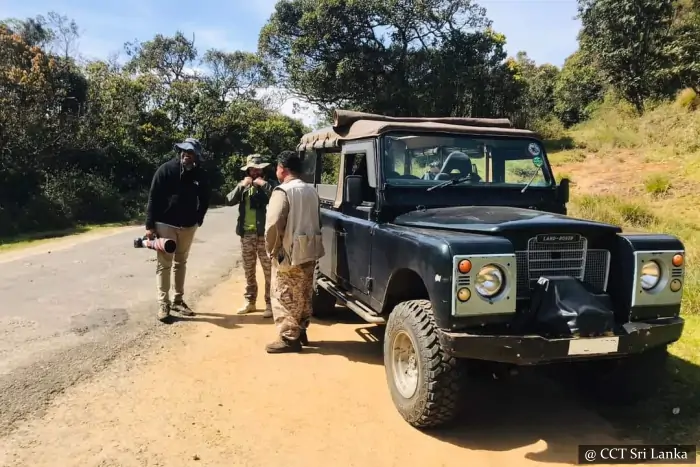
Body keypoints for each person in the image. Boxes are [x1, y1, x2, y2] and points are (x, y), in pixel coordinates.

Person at [264, 150, 325, 353]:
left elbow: (273, 224)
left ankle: (289, 338)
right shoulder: (312, 191)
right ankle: (301, 330)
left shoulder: (283, 191)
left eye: (277, 167)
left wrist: (271, 249)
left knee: (284, 294)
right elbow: (318, 220)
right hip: (310, 249)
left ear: (283, 168)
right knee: (303, 292)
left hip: (289, 252)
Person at [145, 137, 210, 322]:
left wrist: (198, 219)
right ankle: (163, 304)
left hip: (188, 226)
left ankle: (178, 300)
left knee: (181, 263)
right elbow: (153, 197)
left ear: (196, 156)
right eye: (184, 152)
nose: (186, 156)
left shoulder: (200, 175)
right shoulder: (165, 170)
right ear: (179, 152)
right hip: (165, 224)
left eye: (190, 153)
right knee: (164, 264)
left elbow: (205, 199)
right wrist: (150, 226)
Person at [226, 154, 275, 318]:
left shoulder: (270, 186)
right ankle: (250, 302)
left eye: (258, 169)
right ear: (247, 170)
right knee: (249, 271)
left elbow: (278, 197)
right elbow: (229, 200)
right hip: (247, 234)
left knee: (269, 271)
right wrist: (242, 185)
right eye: (252, 169)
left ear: (263, 170)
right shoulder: (244, 186)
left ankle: (270, 303)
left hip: (264, 235)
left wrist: (264, 185)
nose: (255, 172)